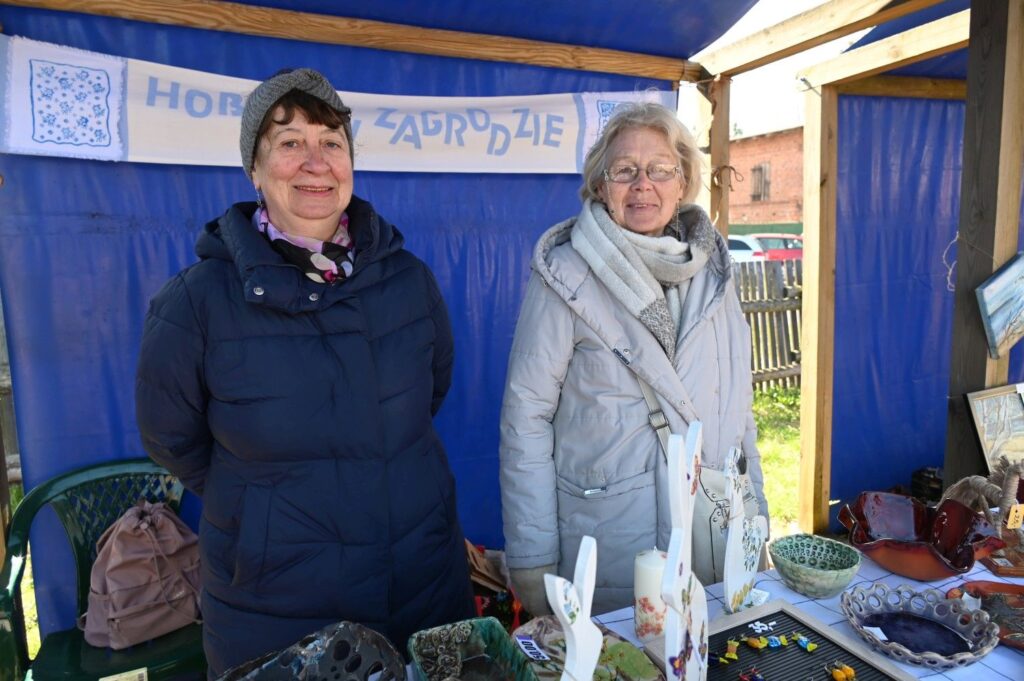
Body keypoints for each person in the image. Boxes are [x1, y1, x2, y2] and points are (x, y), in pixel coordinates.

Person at [135, 68, 473, 676]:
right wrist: (268, 506)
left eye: (332, 143)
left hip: (421, 583)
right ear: (254, 169)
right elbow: (170, 437)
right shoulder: (196, 302)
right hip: (278, 608)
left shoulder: (408, 280)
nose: (315, 162)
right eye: (290, 143)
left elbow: (429, 393)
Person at [499, 102, 768, 615]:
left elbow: (740, 412)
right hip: (611, 543)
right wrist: (532, 557)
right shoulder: (565, 275)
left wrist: (756, 519)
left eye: (660, 169)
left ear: (683, 180)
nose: (643, 184)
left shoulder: (715, 273)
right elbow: (525, 418)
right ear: (601, 186)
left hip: (711, 537)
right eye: (625, 171)